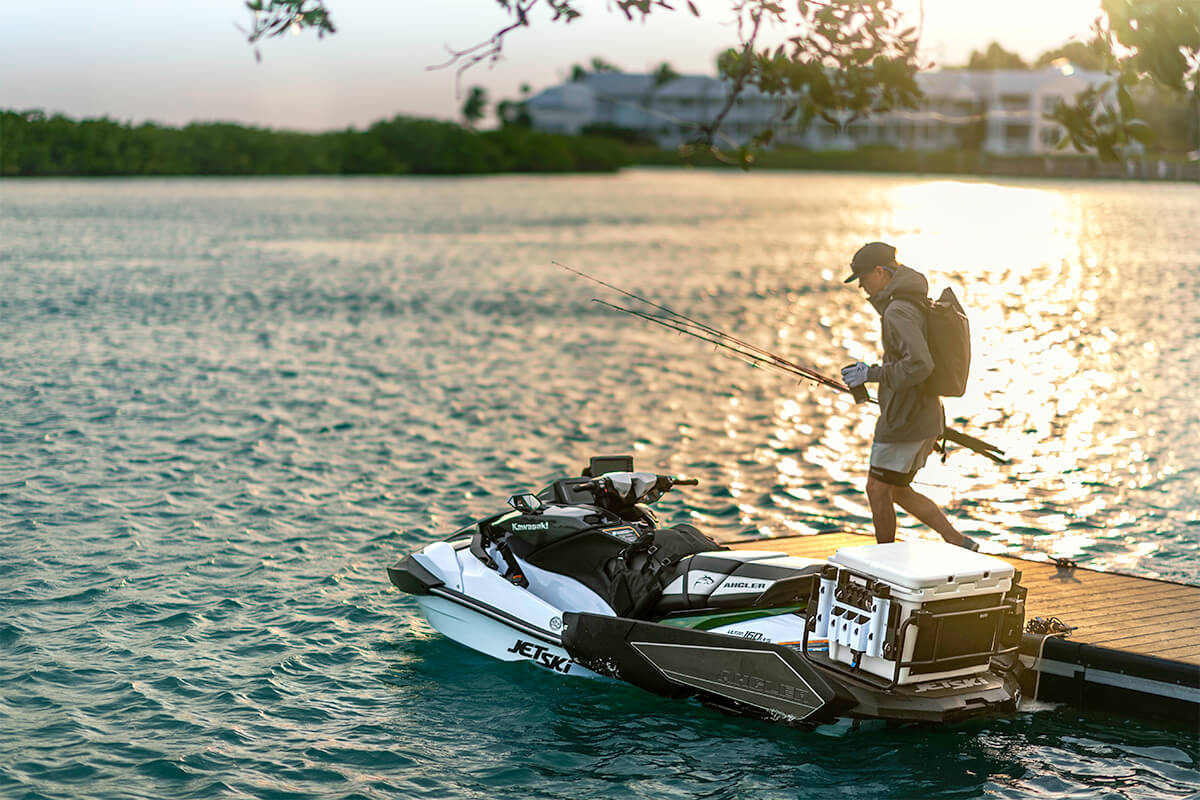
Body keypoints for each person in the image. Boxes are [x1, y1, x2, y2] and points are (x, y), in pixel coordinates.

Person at [840, 241, 978, 551]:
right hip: (923, 414)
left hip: (906, 418)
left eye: (863, 277)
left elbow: (920, 364)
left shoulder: (898, 310)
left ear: (880, 272)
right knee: (898, 490)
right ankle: (959, 542)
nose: (861, 286)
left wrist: (871, 374)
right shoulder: (911, 301)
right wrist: (873, 372)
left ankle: (883, 561)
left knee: (877, 490)